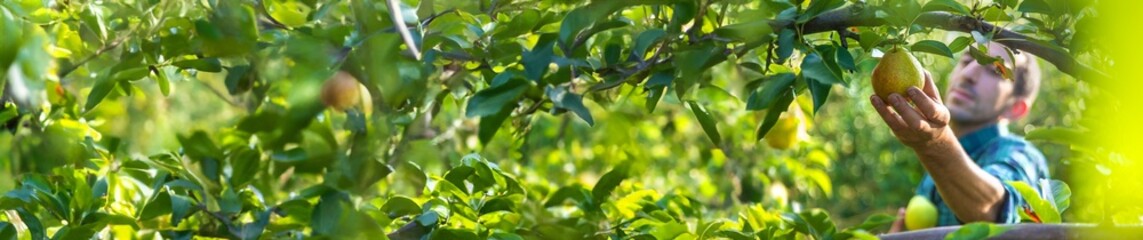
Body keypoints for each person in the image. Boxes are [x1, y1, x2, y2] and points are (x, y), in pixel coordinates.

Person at [872, 42, 1051, 231]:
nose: (968, 75)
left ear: (1015, 108)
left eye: (994, 71)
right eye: (966, 61)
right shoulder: (934, 174)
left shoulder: (1023, 155)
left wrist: (935, 144)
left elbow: (997, 211)